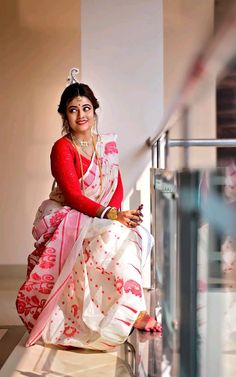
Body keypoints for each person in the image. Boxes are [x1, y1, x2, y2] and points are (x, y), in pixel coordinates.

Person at [16, 69, 162, 350]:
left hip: (100, 213)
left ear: (95, 110)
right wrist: (111, 216)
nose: (81, 114)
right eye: (73, 110)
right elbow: (71, 195)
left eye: (86, 108)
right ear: (64, 116)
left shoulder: (105, 145)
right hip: (68, 213)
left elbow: (116, 185)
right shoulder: (62, 147)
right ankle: (122, 316)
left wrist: (118, 216)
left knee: (132, 235)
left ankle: (127, 313)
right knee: (113, 237)